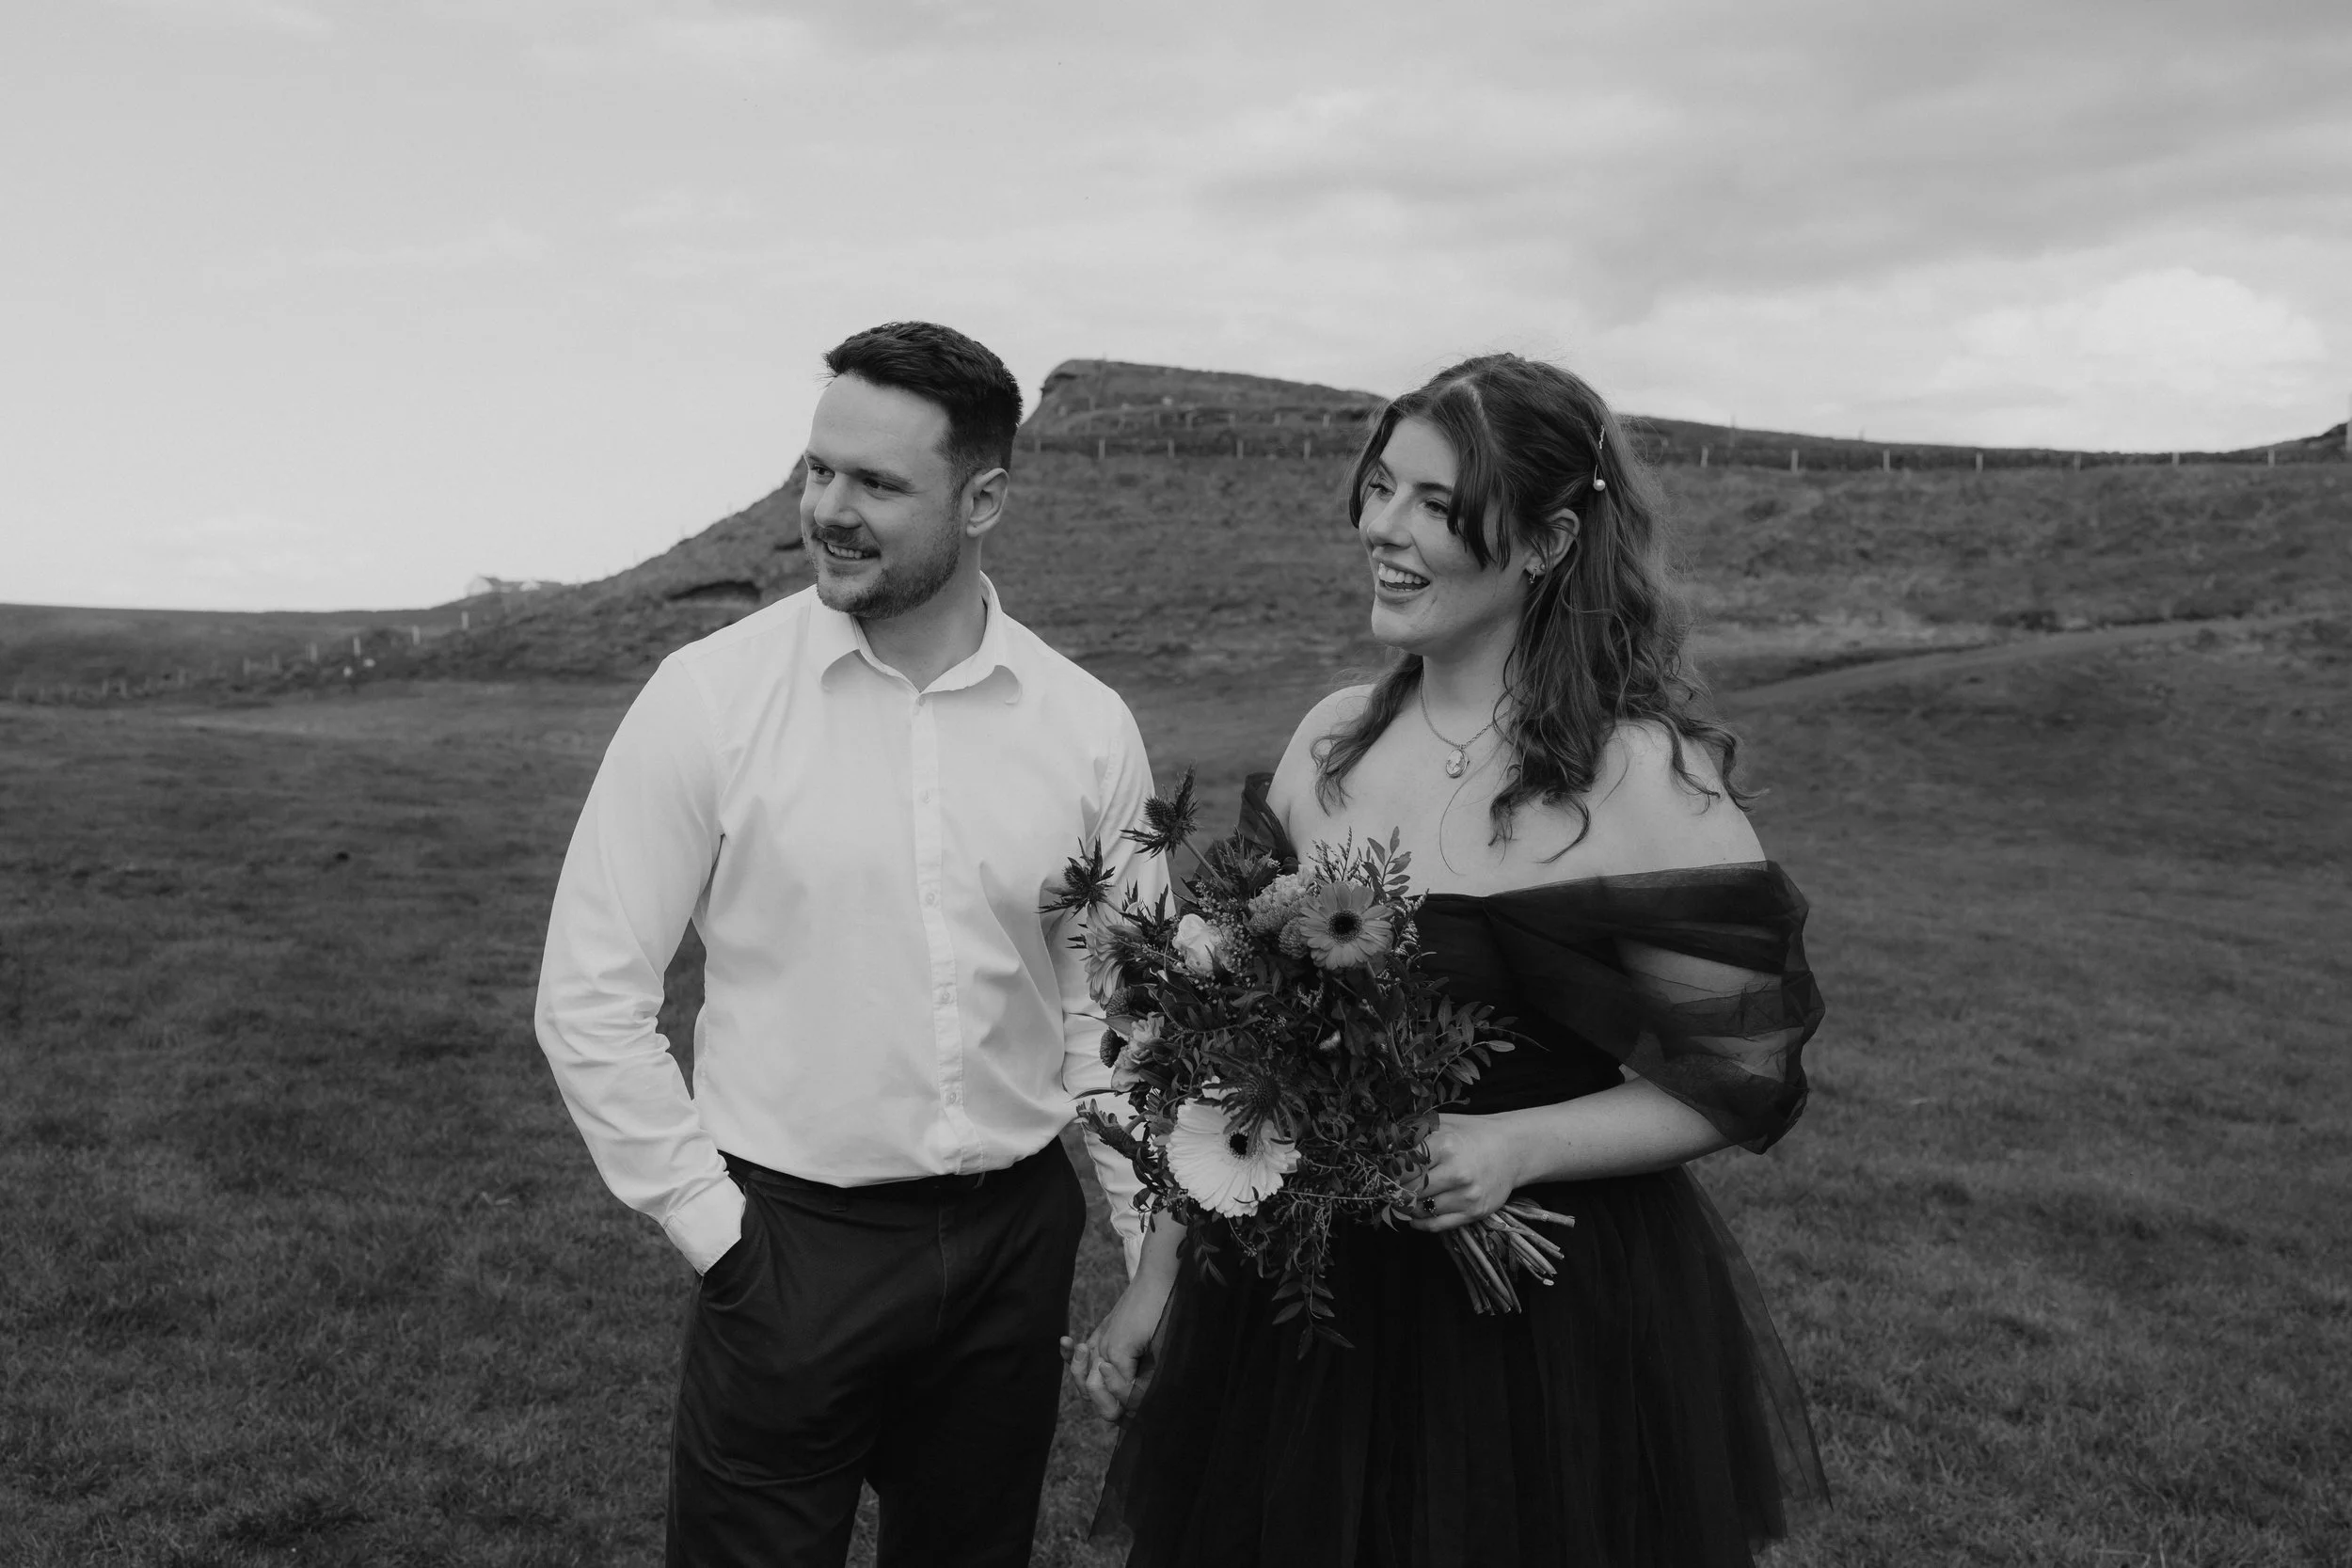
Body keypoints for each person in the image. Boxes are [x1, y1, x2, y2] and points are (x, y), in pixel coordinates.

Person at [1068, 353, 1829, 1567]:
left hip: (1544, 1324)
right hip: (1306, 1317)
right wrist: (1160, 1277)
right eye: (1381, 490)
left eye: (1436, 503)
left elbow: (1740, 1071)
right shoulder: (1329, 746)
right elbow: (1230, 1061)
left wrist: (1515, 1143)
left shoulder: (1633, 778)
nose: (1384, 528)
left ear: (1545, 538)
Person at [534, 320, 1160, 1568]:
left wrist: (1152, 1256)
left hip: (1012, 1247)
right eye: (818, 469)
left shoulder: (1087, 727)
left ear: (983, 497)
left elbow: (1119, 1011)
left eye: (877, 482)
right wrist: (716, 1232)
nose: (829, 507)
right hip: (790, 1248)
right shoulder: (710, 696)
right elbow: (589, 995)